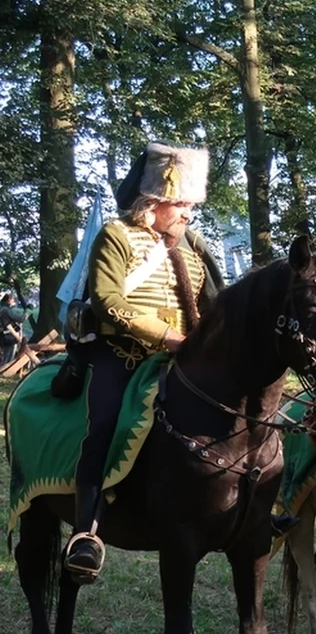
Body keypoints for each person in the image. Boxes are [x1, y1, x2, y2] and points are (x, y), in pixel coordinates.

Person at [66, 142, 223, 583]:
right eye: (183, 204)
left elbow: (214, 303)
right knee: (103, 426)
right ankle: (86, 533)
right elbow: (107, 298)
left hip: (182, 359)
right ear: (154, 202)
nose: (189, 214)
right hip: (122, 356)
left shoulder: (193, 244)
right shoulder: (116, 235)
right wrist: (166, 335)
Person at [0, 293, 26, 364]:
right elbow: (20, 319)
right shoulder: (6, 310)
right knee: (8, 357)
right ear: (9, 300)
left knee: (4, 356)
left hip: (3, 336)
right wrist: (26, 313)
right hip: (9, 336)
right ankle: (4, 372)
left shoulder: (2, 308)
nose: (14, 301)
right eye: (13, 300)